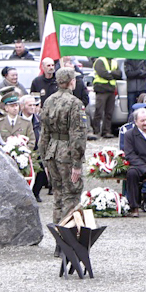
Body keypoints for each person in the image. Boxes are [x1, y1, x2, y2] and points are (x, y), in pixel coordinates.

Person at [36, 67, 86, 223]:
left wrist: (44, 159)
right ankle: (67, 233)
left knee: (58, 196)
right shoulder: (75, 103)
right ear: (72, 81)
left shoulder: (49, 101)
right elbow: (77, 136)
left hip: (52, 151)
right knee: (71, 195)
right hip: (67, 153)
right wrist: (77, 164)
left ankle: (58, 231)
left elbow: (43, 134)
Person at [92, 54, 123, 138]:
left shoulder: (114, 62)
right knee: (99, 111)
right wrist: (113, 75)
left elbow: (119, 74)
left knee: (109, 112)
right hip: (101, 89)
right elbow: (102, 73)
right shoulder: (100, 60)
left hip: (111, 90)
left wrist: (110, 73)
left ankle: (106, 131)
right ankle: (96, 131)